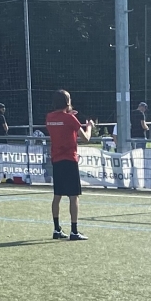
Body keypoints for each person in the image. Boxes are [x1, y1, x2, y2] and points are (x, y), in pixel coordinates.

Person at [44, 90, 93, 240]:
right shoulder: (70, 118)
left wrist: (68, 114)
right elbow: (86, 138)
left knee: (57, 195)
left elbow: (60, 124)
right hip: (70, 160)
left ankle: (56, 229)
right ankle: (74, 231)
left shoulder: (49, 117)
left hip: (56, 160)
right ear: (67, 101)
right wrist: (89, 126)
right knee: (73, 196)